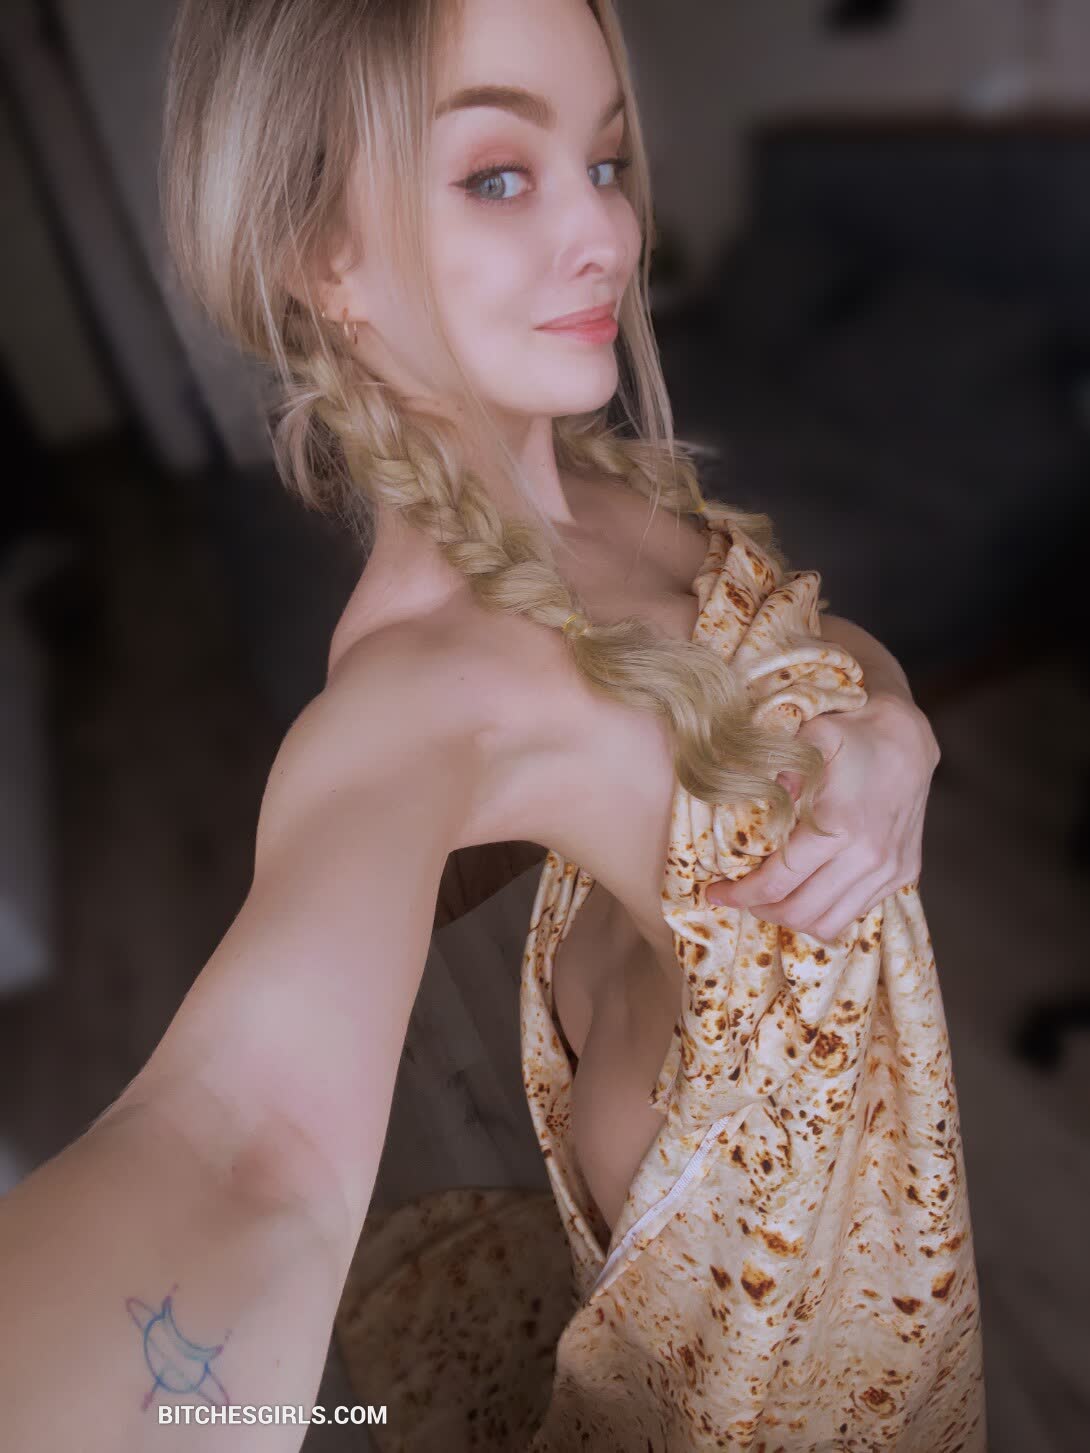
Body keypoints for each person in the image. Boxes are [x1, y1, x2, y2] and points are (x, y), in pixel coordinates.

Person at [0, 0, 985, 1448]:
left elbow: (803, 642)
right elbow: (243, 1147)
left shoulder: (613, 490)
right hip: (769, 1265)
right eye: (498, 175)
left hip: (873, 1162)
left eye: (604, 161)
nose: (606, 235)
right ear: (319, 253)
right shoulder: (423, 684)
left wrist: (895, 727)